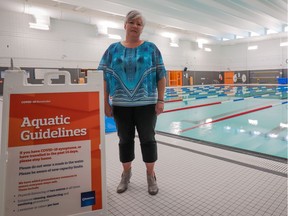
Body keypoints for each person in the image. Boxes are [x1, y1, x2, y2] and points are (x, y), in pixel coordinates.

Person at [98, 10, 166, 195]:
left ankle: (150, 176)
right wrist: (105, 102)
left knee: (148, 140)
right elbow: (102, 77)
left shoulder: (151, 48)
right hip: (121, 105)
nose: (135, 26)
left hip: (147, 105)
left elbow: (161, 75)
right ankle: (126, 174)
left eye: (139, 23)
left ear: (142, 28)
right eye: (132, 22)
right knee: (124, 140)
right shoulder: (113, 49)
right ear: (125, 25)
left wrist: (160, 100)